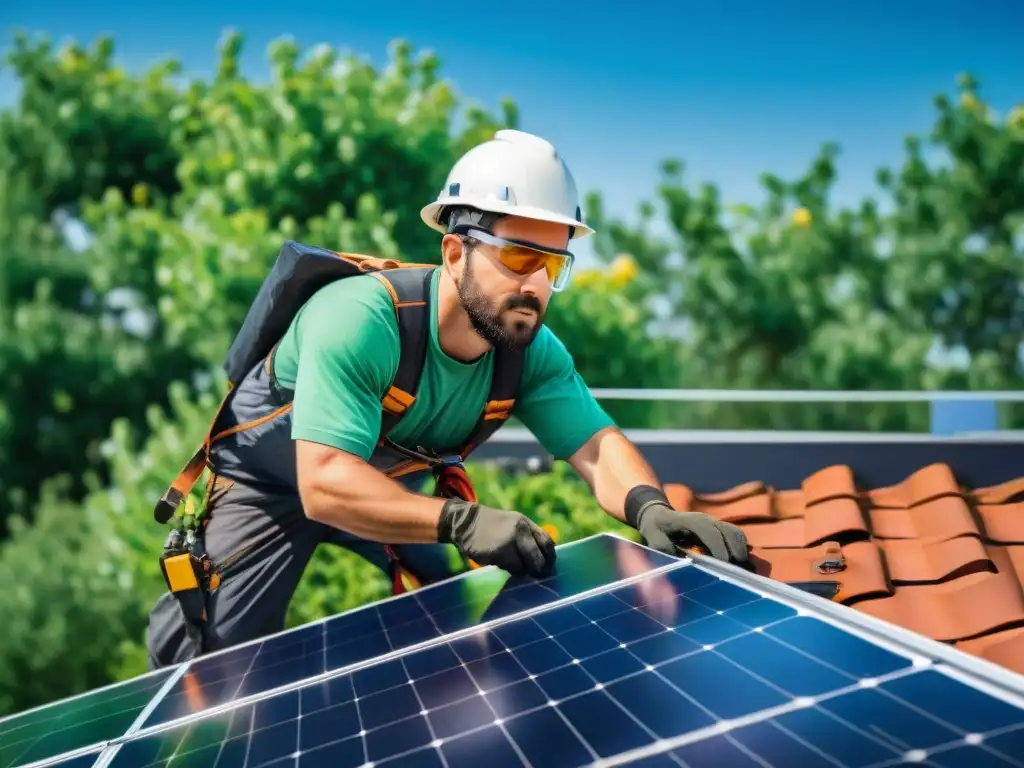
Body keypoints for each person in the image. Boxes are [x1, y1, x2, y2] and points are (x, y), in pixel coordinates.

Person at [145, 129, 750, 670]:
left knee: (453, 629)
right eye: (519, 256)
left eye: (554, 265)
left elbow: (596, 444)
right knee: (213, 673)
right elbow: (324, 483)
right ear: (455, 251)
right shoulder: (360, 320)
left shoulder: (529, 350)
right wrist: (459, 521)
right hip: (273, 487)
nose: (534, 284)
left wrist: (650, 508)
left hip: (379, 485)